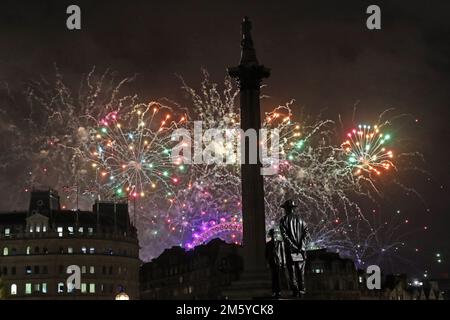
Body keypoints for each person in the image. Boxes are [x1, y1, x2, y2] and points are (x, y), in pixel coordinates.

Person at [279, 199, 309, 298]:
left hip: (291, 250)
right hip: (300, 251)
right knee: (300, 271)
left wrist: (293, 247)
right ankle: (302, 290)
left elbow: (285, 236)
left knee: (291, 272)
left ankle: (295, 291)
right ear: (293, 208)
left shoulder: (283, 220)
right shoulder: (301, 220)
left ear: (286, 209)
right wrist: (301, 247)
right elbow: (306, 234)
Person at [265, 228, 286, 298]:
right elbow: (266, 254)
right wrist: (267, 262)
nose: (274, 235)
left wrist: (283, 262)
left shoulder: (280, 243)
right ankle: (274, 291)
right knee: (274, 277)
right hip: (272, 262)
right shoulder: (268, 244)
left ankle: (278, 291)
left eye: (274, 234)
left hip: (278, 262)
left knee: (278, 277)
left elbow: (282, 253)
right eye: (273, 234)